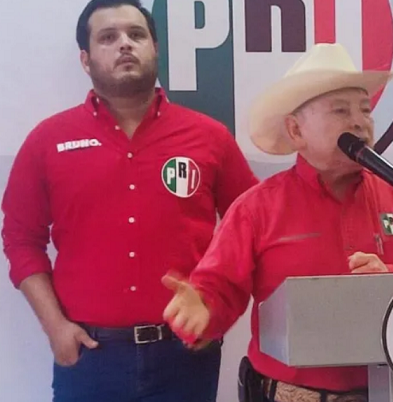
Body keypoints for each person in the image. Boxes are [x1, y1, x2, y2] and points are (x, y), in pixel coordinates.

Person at [161, 43, 393, 402]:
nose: (359, 122)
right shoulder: (257, 208)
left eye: (365, 110)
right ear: (296, 130)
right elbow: (219, 288)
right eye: (341, 110)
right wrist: (203, 309)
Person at [1, 1, 259, 401]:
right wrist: (55, 327)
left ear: (155, 48)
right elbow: (20, 240)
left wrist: (218, 312)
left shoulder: (210, 137)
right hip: (88, 356)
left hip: (186, 355)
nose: (125, 44)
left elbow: (252, 228)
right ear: (85, 60)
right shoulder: (47, 141)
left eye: (136, 35)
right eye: (108, 37)